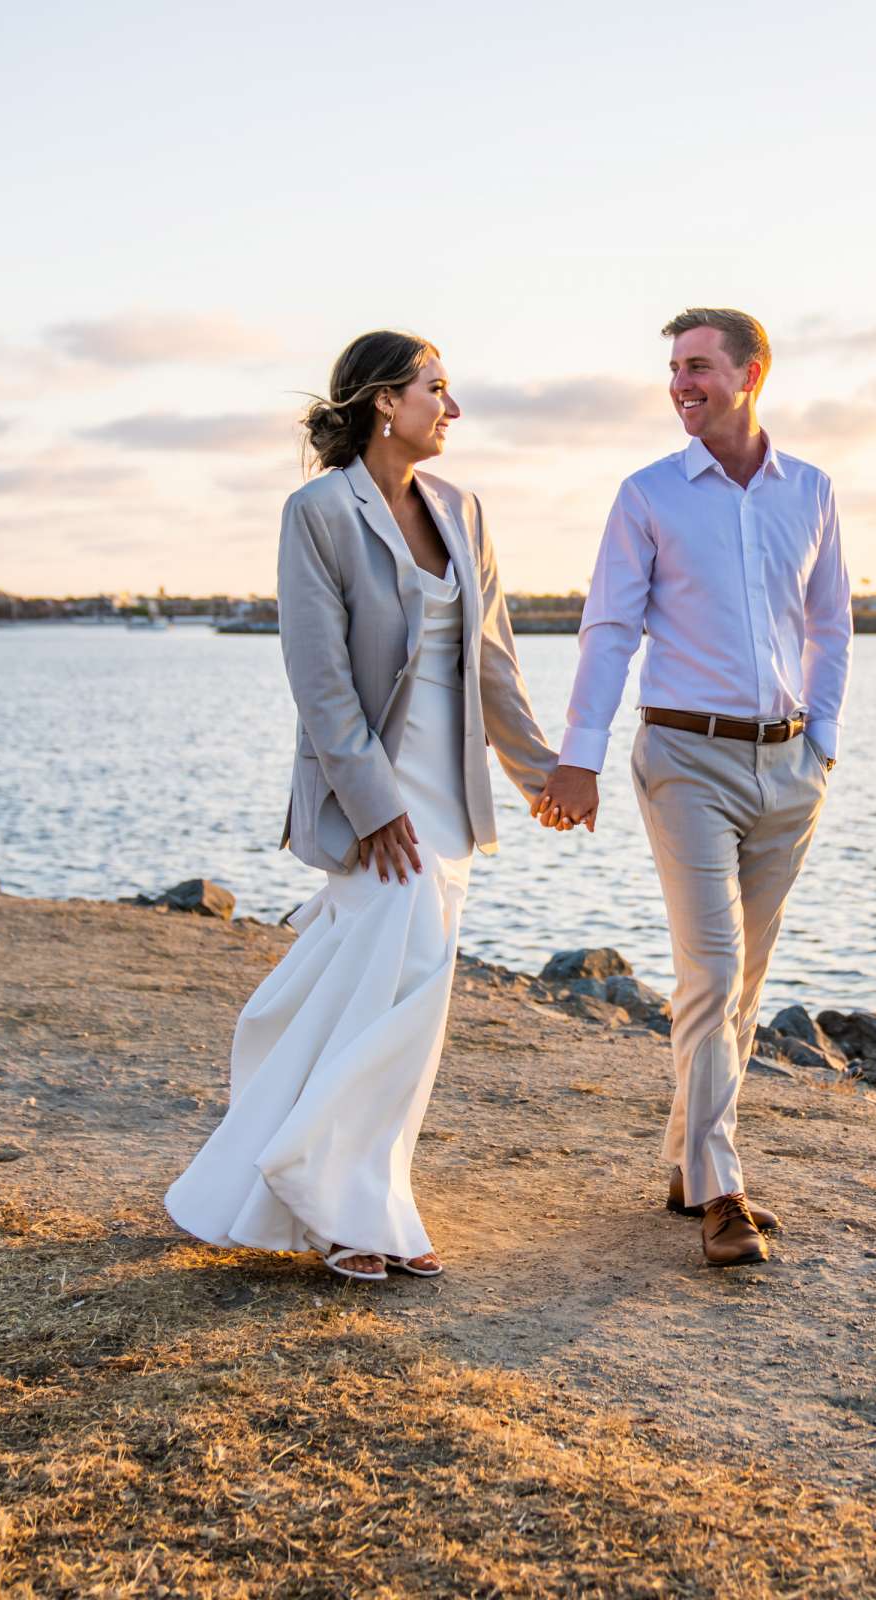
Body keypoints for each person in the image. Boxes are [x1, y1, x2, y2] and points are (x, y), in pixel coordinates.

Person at [167, 330, 560, 1282]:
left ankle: (346, 1191)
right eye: (438, 389)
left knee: (393, 993)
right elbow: (320, 677)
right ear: (387, 400)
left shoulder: (463, 509)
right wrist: (375, 805)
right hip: (376, 796)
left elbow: (493, 662)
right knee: (402, 990)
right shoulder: (318, 512)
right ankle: (342, 1203)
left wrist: (542, 773)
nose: (451, 408)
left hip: (452, 793)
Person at [537, 307, 852, 1267]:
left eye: (700, 367)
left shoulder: (811, 491)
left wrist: (822, 741)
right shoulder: (648, 497)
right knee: (711, 973)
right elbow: (609, 631)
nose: (682, 384)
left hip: (789, 767)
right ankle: (723, 1193)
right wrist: (577, 755)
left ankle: (685, 1159)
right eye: (674, 368)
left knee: (742, 984)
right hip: (685, 761)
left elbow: (829, 625)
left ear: (752, 374)